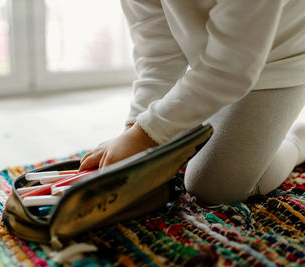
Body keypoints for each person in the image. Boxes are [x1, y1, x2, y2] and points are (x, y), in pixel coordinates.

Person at [80, 0, 305, 205]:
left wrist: (146, 134)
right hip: (216, 65)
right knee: (166, 147)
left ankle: (298, 139)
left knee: (213, 187)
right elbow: (157, 53)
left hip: (282, 60)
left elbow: (230, 70)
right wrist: (135, 129)